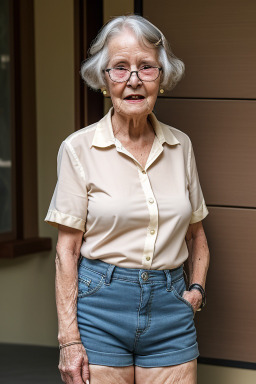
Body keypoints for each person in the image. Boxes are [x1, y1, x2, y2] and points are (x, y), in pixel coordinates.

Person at [45, 14, 210, 384]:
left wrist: (195, 290)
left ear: (161, 78)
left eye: (146, 67)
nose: (133, 80)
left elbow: (197, 235)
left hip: (171, 308)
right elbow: (66, 252)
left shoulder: (180, 146)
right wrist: (69, 340)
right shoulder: (78, 149)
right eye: (120, 68)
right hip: (100, 308)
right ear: (103, 79)